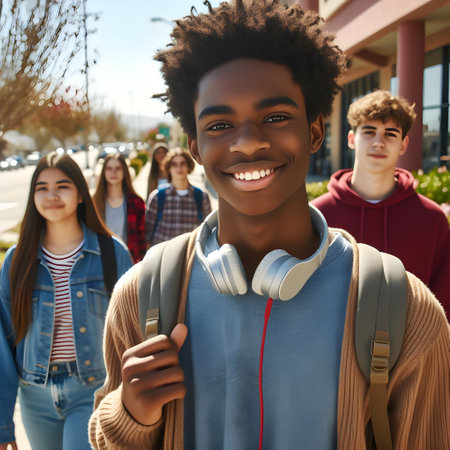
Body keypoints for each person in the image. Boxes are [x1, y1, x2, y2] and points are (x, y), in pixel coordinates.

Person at [89, 1, 449, 449]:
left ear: (315, 130)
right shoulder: (142, 296)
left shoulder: (408, 312)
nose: (249, 142)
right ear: (196, 147)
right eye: (219, 124)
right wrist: (130, 415)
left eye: (275, 117)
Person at [0, 152, 133, 450]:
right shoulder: (17, 260)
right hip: (34, 396)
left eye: (62, 186)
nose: (52, 195)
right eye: (42, 188)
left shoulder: (113, 254)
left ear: (81, 195)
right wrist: (2, 423)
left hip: (93, 390)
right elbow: (4, 345)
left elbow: (131, 333)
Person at [311, 90, 450, 315]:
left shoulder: (431, 219)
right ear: (351, 139)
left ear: (403, 144)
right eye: (369, 131)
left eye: (390, 134)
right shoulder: (318, 215)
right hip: (330, 349)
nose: (379, 142)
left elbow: (444, 305)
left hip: (414, 349)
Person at [145, 148, 212, 247]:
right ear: (169, 168)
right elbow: (148, 232)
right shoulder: (157, 197)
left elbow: (208, 230)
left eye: (182, 163)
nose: (179, 168)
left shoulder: (202, 197)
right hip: (162, 255)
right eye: (174, 164)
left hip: (190, 255)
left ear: (188, 166)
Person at [93, 152, 146, 263]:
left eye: (118, 168)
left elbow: (142, 239)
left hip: (129, 261)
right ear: (104, 172)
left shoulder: (137, 203)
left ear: (124, 171)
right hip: (101, 262)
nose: (113, 172)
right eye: (109, 168)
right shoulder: (94, 203)